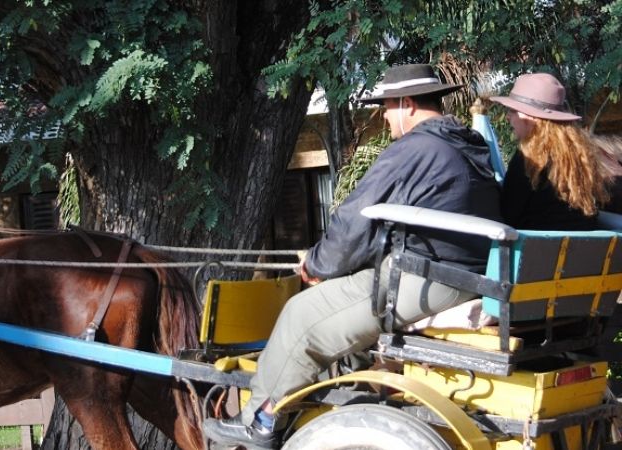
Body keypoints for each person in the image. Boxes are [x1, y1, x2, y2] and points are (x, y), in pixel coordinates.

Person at [203, 63, 502, 449]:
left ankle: (260, 421)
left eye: (388, 106)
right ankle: (344, 385)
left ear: (408, 104)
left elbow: (355, 219)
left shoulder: (414, 149)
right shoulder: (465, 146)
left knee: (301, 313)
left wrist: (317, 264)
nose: (384, 115)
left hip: (425, 279)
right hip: (465, 279)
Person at [490, 73, 611, 230]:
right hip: (585, 251)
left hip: (532, 250)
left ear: (531, 117)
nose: (507, 117)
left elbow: (507, 216)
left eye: (512, 111)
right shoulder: (582, 157)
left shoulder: (529, 159)